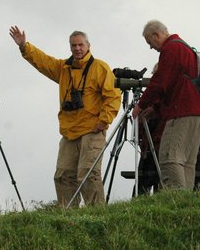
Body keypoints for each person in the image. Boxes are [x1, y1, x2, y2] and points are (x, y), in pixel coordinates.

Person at [9, 26, 121, 207]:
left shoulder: (100, 67)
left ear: (88, 46)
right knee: (63, 175)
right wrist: (24, 46)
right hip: (69, 131)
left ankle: (98, 214)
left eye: (80, 45)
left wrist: (104, 121)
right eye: (73, 45)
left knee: (87, 174)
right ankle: (68, 216)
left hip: (92, 130)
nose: (77, 48)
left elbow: (114, 95)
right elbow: (43, 62)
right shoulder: (63, 68)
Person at [132, 20, 200, 189]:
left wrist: (141, 105)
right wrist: (156, 108)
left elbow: (160, 82)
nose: (152, 48)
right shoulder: (186, 48)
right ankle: (186, 204)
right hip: (198, 113)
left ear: (156, 35)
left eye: (150, 43)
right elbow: (175, 84)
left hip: (181, 112)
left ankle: (176, 199)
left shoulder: (171, 49)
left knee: (169, 157)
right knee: (187, 162)